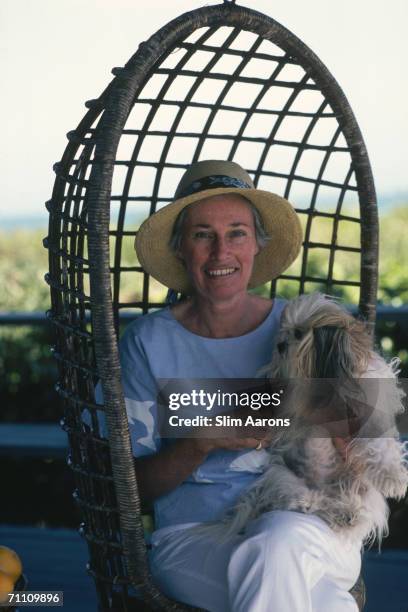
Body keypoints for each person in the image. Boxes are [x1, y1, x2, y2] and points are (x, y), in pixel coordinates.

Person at [118, 160, 361, 612]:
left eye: (236, 233)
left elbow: (369, 455)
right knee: (325, 601)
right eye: (202, 234)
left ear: (256, 245)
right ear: (180, 249)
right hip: (193, 538)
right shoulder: (147, 343)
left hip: (313, 525)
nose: (220, 252)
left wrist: (325, 417)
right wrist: (201, 442)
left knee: (278, 540)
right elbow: (128, 486)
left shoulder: (307, 326)